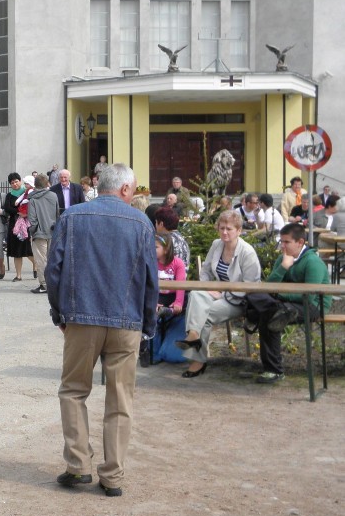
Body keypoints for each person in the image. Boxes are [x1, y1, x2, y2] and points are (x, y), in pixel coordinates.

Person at [46, 163, 158, 498]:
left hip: (82, 318)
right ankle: (113, 476)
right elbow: (152, 281)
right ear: (125, 189)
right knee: (120, 398)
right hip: (126, 323)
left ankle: (78, 466)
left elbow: (54, 270)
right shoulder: (141, 222)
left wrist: (60, 313)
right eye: (135, 189)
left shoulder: (72, 217)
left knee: (73, 391)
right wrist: (147, 326)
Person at [176, 210, 262, 377]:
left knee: (204, 315)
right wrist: (207, 287)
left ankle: (198, 360)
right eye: (221, 228)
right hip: (216, 294)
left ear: (238, 230)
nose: (224, 232)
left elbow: (251, 286)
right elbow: (206, 271)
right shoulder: (217, 244)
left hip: (238, 300)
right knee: (195, 294)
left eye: (229, 229)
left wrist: (223, 293)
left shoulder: (247, 252)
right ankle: (193, 335)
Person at [249, 223, 331, 384]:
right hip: (286, 304)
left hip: (313, 306)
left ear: (300, 242)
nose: (282, 246)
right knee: (258, 300)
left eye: (286, 242)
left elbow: (310, 295)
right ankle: (272, 369)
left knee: (269, 314)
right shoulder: (283, 259)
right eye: (281, 241)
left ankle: (273, 370)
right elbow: (269, 286)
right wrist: (283, 267)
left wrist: (279, 294)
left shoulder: (313, 262)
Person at [150, 233, 188, 365]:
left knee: (173, 356)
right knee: (152, 319)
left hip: (172, 297)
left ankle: (169, 345)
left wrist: (178, 303)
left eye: (155, 247)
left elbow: (181, 285)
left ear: (166, 249)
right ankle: (152, 352)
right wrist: (153, 301)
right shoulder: (151, 262)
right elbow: (149, 284)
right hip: (158, 296)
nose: (151, 249)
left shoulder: (178, 263)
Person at [27, 174, 59, 294]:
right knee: (51, 259)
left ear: (35, 184)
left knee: (41, 260)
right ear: (47, 184)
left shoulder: (33, 199)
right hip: (52, 230)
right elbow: (57, 213)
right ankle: (53, 283)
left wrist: (33, 230)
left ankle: (44, 285)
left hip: (39, 232)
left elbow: (32, 218)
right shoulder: (53, 195)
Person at [3, 173, 33, 282]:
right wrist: (19, 211)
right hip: (13, 224)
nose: (15, 184)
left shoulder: (28, 192)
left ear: (20, 181)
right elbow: (7, 208)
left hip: (26, 224)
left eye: (16, 181)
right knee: (16, 250)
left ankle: (35, 265)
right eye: (12, 183)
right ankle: (18, 275)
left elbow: (33, 206)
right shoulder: (9, 195)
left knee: (27, 249)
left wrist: (24, 213)